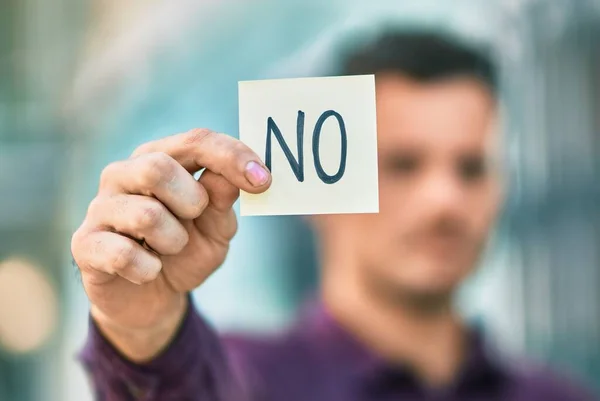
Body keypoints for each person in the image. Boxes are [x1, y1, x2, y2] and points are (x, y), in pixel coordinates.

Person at [71, 30, 596, 400]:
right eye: (402, 165)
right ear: (320, 187)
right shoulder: (245, 379)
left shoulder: (557, 395)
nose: (445, 199)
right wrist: (142, 334)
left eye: (471, 168)